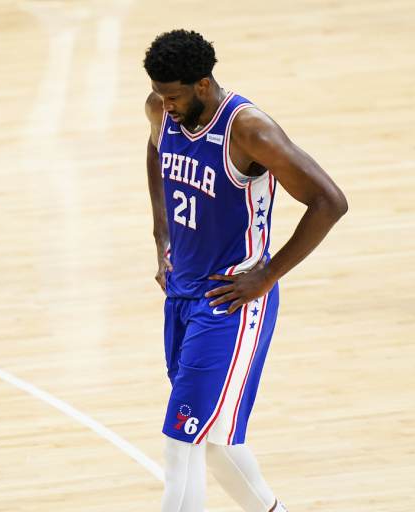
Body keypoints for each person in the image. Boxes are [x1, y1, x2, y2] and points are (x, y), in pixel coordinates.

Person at [143, 29, 348, 512]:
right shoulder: (160, 109)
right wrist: (162, 236)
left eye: (173, 96)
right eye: (159, 94)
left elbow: (330, 202)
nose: (164, 105)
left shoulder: (249, 130)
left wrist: (267, 275)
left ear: (203, 85)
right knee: (216, 444)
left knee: (181, 440)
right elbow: (155, 151)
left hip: (231, 303)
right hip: (183, 294)